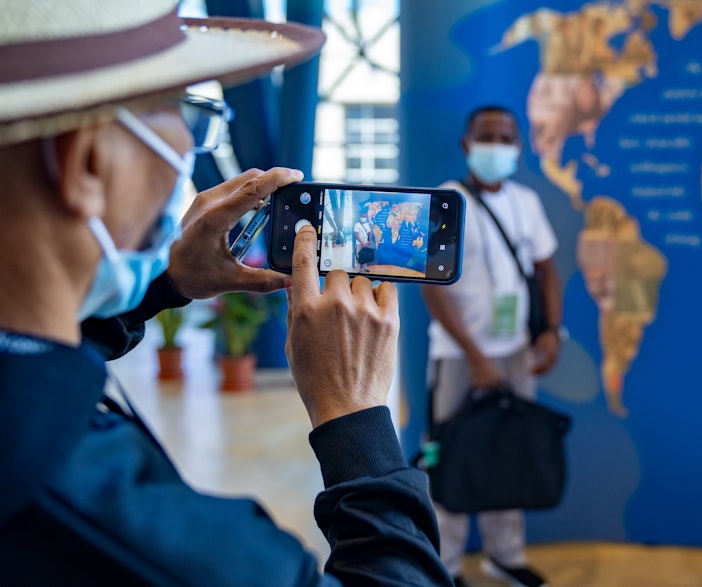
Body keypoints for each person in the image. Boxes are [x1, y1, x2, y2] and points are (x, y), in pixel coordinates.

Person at [0, 2, 453, 585]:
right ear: (86, 162)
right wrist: (357, 416)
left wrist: (167, 281)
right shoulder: (117, 528)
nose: (190, 154)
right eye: (182, 115)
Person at [421, 105, 563, 587]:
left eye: (506, 137)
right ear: (466, 145)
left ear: (519, 147)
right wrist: (477, 356)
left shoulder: (526, 202)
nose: (497, 146)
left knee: (510, 454)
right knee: (450, 454)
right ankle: (448, 565)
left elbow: (546, 270)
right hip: (459, 355)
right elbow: (431, 287)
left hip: (515, 352)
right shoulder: (447, 201)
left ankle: (505, 556)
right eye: (487, 137)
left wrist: (550, 332)